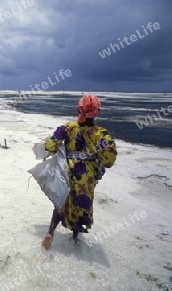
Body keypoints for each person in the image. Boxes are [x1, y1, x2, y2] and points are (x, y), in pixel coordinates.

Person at [41, 94, 117, 250]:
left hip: (66, 171)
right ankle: (74, 238)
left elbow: (50, 146)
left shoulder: (67, 128)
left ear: (78, 109)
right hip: (86, 177)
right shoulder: (102, 135)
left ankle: (50, 232)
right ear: (97, 112)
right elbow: (108, 161)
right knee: (81, 204)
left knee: (61, 202)